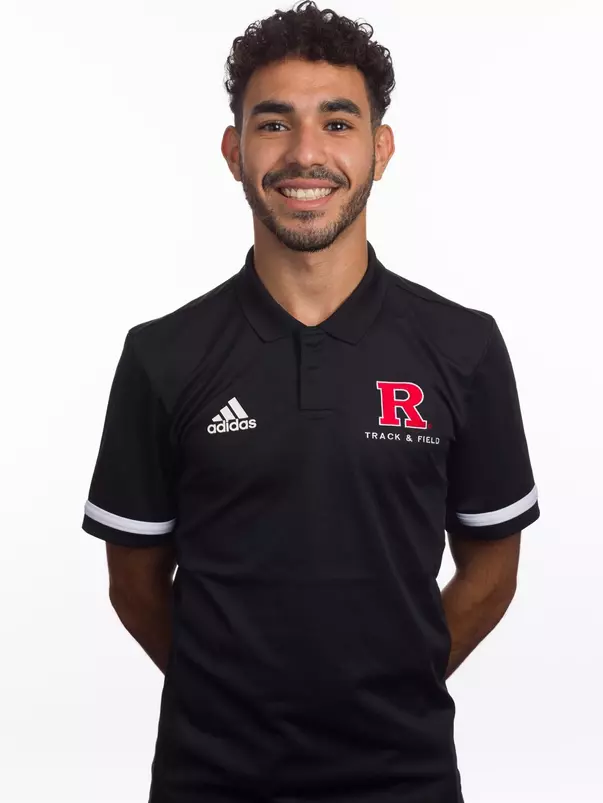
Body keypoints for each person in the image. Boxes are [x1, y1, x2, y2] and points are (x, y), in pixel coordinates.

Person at [81, 2, 540, 801]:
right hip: (209, 779)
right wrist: (231, 700)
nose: (304, 153)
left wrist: (393, 681)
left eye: (336, 123)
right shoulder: (162, 355)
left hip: (405, 777)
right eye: (273, 124)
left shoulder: (462, 346)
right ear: (233, 151)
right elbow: (135, 583)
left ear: (379, 149)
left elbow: (492, 567)